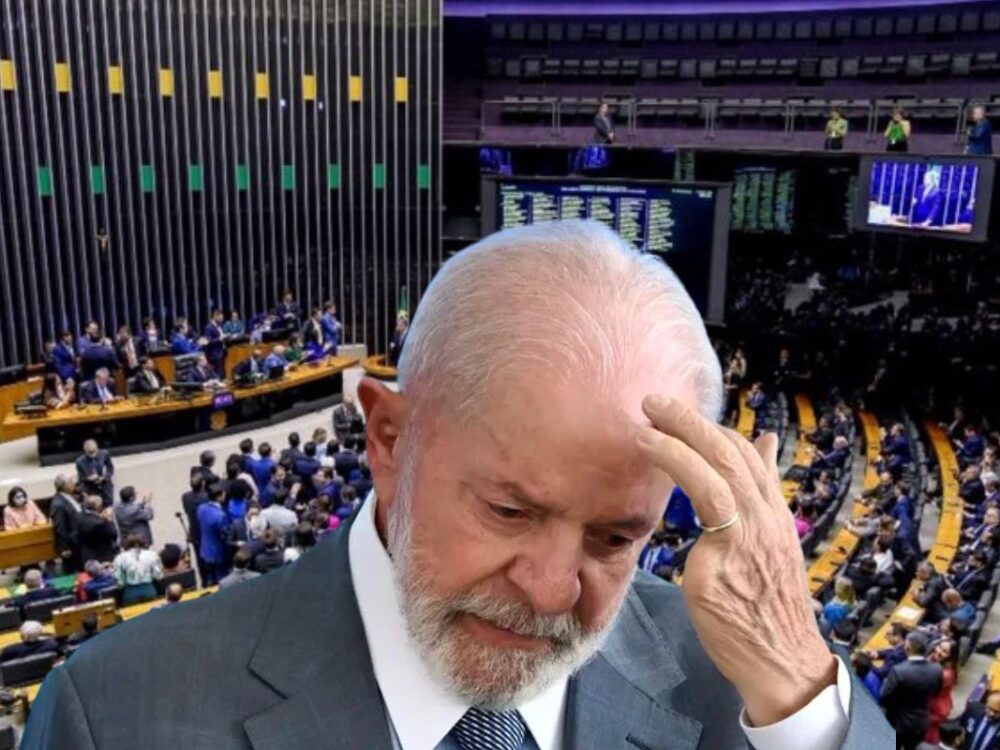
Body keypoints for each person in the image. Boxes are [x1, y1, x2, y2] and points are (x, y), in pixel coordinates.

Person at [23, 220, 891, 749]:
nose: (550, 590)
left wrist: (797, 686)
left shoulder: (749, 695)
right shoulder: (119, 714)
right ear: (388, 439)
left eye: (614, 537)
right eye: (510, 509)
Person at [880, 631, 944, 750]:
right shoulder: (937, 670)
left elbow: (884, 698)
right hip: (920, 722)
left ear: (908, 646)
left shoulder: (899, 671)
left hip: (896, 722)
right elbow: (936, 693)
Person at [112, 534, 164, 605]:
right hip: (148, 589)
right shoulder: (152, 555)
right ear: (142, 543)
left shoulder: (120, 558)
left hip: (131, 592)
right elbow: (159, 576)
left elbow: (119, 582)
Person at [924, 639, 957, 745]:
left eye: (944, 651)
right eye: (939, 647)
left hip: (934, 710)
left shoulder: (946, 675)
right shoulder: (935, 660)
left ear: (951, 656)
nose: (938, 651)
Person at [196, 484, 230, 585]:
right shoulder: (220, 516)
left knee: (210, 578)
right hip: (217, 554)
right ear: (219, 497)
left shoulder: (201, 508)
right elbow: (225, 535)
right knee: (221, 579)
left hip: (205, 551)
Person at [49, 474, 83, 573]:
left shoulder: (68, 496)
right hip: (71, 546)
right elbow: (60, 528)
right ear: (64, 486)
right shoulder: (58, 504)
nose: (73, 484)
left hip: (78, 542)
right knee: (72, 571)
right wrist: (64, 548)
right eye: (70, 482)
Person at [76, 496, 119, 564]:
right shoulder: (99, 523)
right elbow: (113, 534)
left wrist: (100, 517)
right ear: (98, 507)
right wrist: (109, 519)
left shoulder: (79, 515)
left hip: (85, 553)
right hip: (100, 556)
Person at [75, 439, 115, 507]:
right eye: (90, 452)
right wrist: (88, 478)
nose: (92, 454)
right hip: (91, 489)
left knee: (108, 506)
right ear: (85, 450)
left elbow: (110, 468)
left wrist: (104, 477)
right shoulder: (79, 461)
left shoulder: (104, 454)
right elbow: (81, 478)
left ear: (97, 448)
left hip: (105, 486)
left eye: (94, 451)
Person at [203, 308, 228, 375]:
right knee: (218, 374)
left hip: (222, 352)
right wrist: (219, 339)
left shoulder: (219, 326)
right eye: (220, 317)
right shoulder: (209, 327)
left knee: (223, 373)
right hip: (214, 355)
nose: (222, 319)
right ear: (215, 316)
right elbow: (208, 342)